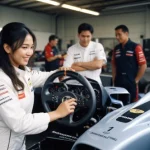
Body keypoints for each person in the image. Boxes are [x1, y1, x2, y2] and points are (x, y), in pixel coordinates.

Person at [0, 22, 77, 150]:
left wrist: (60, 72)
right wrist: (56, 113)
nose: (29, 52)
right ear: (7, 48)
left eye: (31, 47)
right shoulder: (2, 80)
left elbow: (42, 77)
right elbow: (19, 122)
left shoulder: (24, 71)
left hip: (19, 142)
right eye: (24, 47)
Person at [111, 25, 147, 104]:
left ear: (126, 34)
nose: (117, 37)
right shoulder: (116, 48)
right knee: (118, 103)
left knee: (132, 104)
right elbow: (113, 65)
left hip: (131, 82)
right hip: (119, 82)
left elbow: (143, 65)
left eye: (119, 34)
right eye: (116, 35)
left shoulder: (136, 47)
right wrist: (114, 78)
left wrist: (136, 80)